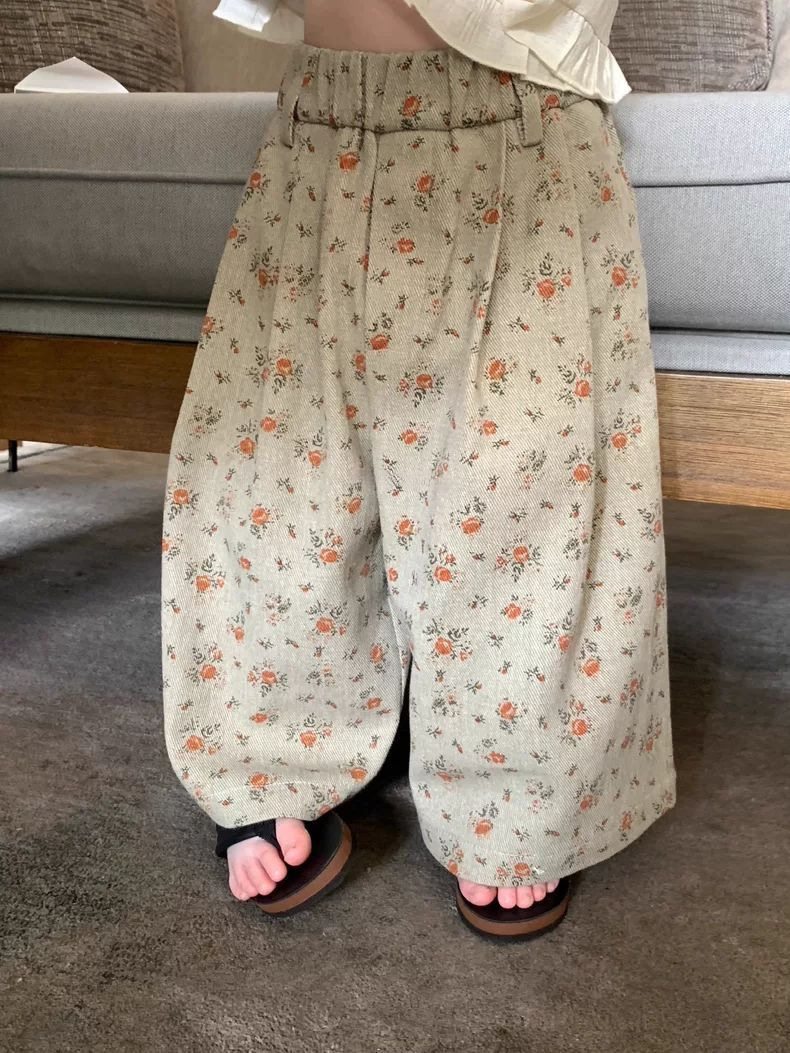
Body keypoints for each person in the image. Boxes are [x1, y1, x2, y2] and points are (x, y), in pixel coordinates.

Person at [161, 0, 677, 940]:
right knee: (274, 476)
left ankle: (513, 787)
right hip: (318, 122)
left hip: (522, 116)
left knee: (520, 489)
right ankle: (274, 747)